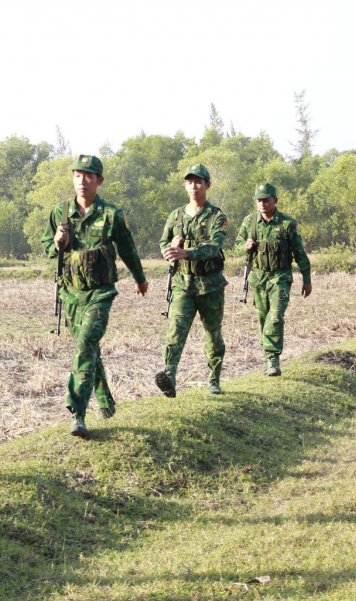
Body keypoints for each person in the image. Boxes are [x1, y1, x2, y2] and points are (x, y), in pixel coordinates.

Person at [44, 154, 149, 438]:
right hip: (71, 292)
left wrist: (140, 278)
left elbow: (127, 249)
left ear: (99, 181)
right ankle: (106, 402)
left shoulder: (112, 214)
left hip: (101, 292)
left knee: (85, 343)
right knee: (89, 348)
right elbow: (47, 248)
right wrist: (57, 243)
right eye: (78, 175)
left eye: (89, 176)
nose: (82, 181)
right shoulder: (60, 213)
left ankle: (77, 411)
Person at [156, 164, 229, 396]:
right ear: (185, 185)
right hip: (182, 284)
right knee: (175, 331)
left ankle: (214, 380)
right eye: (190, 182)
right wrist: (170, 249)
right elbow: (163, 243)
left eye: (199, 181)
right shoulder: (175, 216)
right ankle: (169, 376)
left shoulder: (217, 216)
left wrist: (186, 252)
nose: (194, 186)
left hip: (210, 285)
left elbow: (214, 245)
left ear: (207, 185)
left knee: (212, 334)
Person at [234, 182, 311, 377]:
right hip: (258, 279)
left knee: (275, 317)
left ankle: (272, 360)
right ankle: (268, 357)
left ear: (274, 200)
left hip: (280, 278)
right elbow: (235, 246)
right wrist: (245, 245)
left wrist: (307, 279)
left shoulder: (287, 224)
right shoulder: (249, 222)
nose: (262, 204)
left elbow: (300, 253)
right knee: (263, 319)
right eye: (259, 200)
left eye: (266, 200)